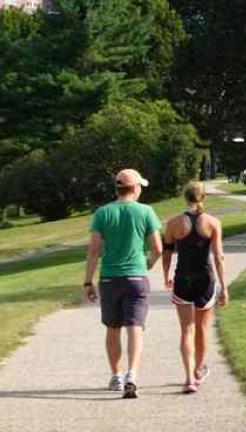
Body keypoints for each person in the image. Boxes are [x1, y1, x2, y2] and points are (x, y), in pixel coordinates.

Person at [83, 168, 163, 399]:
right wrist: (148, 263)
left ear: (117, 188)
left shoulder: (103, 213)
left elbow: (94, 250)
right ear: (135, 188)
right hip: (137, 276)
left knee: (112, 327)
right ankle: (132, 374)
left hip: (110, 278)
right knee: (135, 327)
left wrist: (88, 282)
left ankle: (116, 375)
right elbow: (158, 248)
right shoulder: (146, 211)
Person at [161, 181, 228, 394]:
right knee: (202, 329)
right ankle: (198, 370)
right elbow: (219, 256)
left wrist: (166, 275)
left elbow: (167, 252)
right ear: (203, 197)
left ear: (185, 197)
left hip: (183, 279)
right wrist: (224, 286)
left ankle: (189, 378)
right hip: (205, 280)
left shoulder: (173, 223)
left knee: (186, 330)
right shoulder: (212, 222)